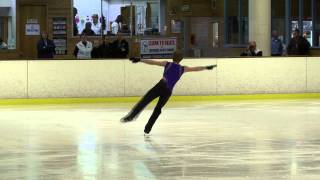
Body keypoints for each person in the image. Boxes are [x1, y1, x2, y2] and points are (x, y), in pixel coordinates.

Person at [120, 51, 217, 135]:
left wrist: (140, 59)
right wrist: (206, 67)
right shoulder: (183, 68)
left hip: (161, 85)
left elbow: (153, 62)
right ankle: (147, 129)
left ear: (172, 57)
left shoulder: (167, 64)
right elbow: (196, 68)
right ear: (181, 59)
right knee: (158, 109)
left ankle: (130, 117)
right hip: (168, 92)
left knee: (145, 100)